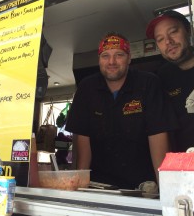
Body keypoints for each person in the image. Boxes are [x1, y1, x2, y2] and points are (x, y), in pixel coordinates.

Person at [65, 32, 177, 189]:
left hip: (143, 187)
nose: (111, 61)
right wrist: (80, 189)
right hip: (98, 186)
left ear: (129, 58)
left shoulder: (148, 83)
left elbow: (158, 136)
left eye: (119, 55)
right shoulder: (86, 88)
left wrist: (167, 190)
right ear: (99, 60)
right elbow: (83, 141)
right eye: (105, 56)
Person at [146, 10, 194, 152]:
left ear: (189, 30)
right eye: (160, 39)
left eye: (173, 32)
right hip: (184, 164)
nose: (168, 42)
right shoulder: (161, 77)